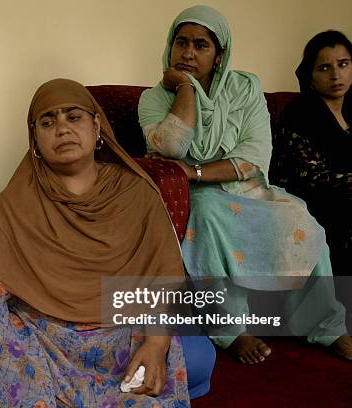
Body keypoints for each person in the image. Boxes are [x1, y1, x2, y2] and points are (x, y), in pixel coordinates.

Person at [0, 78, 215, 408]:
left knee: (198, 357)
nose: (63, 129)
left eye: (74, 117)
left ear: (96, 126)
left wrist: (154, 344)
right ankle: (114, 400)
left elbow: (163, 280)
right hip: (43, 338)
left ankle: (56, 396)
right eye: (48, 122)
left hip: (119, 333)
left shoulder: (136, 192)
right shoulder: (14, 204)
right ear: (34, 138)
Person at [138, 5, 351, 363]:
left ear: (219, 54)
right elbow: (172, 146)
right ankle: (230, 329)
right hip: (198, 196)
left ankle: (326, 326)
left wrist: (197, 170)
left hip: (246, 187)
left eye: (201, 45)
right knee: (206, 215)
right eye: (181, 42)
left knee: (303, 219)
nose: (188, 52)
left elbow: (253, 155)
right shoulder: (155, 98)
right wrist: (187, 90)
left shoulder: (245, 88)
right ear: (171, 46)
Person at [272, 30, 351, 276]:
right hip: (309, 203)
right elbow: (314, 177)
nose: (336, 75)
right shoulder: (300, 113)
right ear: (311, 76)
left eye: (343, 64)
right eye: (324, 68)